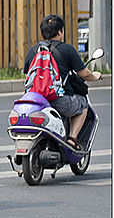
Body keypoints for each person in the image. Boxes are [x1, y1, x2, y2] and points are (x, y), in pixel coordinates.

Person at [23, 14, 102, 151]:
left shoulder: (33, 51)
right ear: (60, 31)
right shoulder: (67, 49)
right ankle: (72, 139)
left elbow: (27, 76)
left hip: (35, 101)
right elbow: (84, 73)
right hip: (58, 98)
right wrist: (95, 76)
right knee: (83, 105)